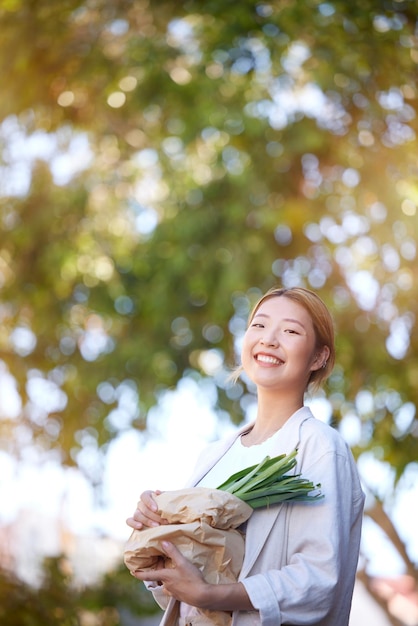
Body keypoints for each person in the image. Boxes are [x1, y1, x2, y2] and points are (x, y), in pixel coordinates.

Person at [126, 286, 365, 626]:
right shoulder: (213, 457)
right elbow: (180, 594)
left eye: (291, 331)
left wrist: (210, 595)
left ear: (318, 357)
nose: (269, 339)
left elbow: (318, 581)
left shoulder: (321, 448)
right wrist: (158, 535)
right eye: (259, 325)